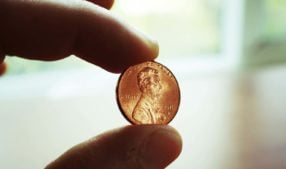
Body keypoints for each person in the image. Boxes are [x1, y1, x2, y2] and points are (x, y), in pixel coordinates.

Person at [0, 0, 182, 169]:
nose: (158, 85)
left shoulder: (153, 110)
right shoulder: (140, 111)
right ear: (143, 86)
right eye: (153, 81)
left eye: (157, 80)